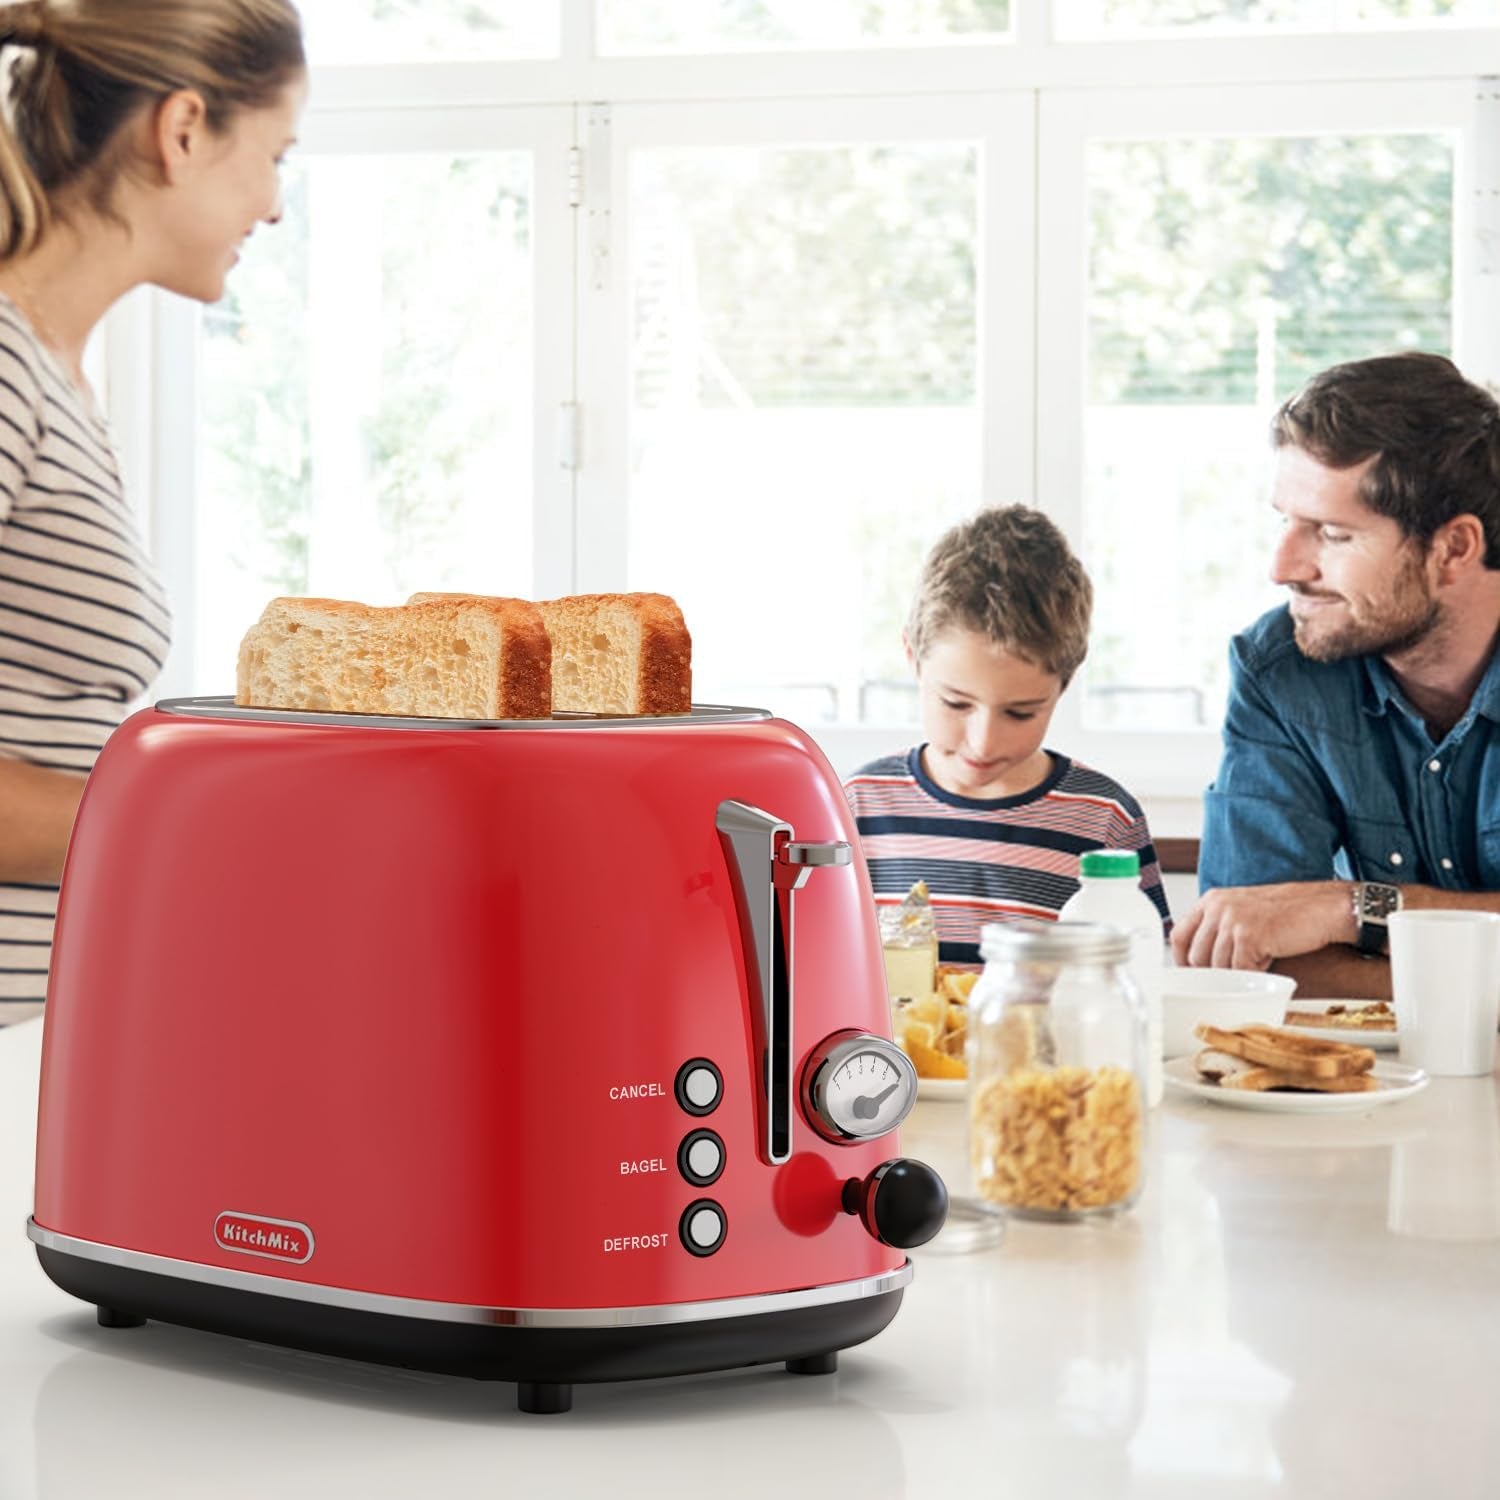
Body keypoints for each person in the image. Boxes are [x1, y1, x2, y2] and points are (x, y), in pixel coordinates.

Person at [0, 0, 306, 1025]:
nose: (273, 205)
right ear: (182, 131)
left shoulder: (56, 380)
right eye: (275, 153)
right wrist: (193, 810)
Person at [1173, 353, 1500, 998]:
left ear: (1454, 548)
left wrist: (1349, 908)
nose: (1283, 566)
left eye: (1331, 533)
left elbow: (1303, 945)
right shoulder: (1279, 670)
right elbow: (1251, 960)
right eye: (1285, 522)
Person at [843, 504, 1170, 968]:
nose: (983, 743)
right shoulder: (857, 808)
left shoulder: (1105, 820)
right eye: (956, 704)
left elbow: (1142, 983)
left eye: (1020, 713)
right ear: (913, 658)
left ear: (1065, 683)